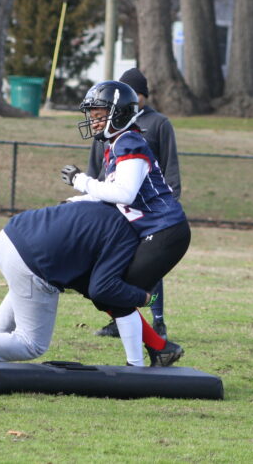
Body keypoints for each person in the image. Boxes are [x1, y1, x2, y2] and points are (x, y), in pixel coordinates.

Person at [0, 201, 178, 367]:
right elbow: (103, 288)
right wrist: (145, 298)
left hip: (9, 236)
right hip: (34, 262)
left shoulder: (105, 206)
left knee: (22, 292)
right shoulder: (126, 234)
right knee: (32, 344)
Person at [62, 80, 190, 364]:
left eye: (99, 115)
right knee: (102, 292)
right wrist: (72, 204)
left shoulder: (129, 142)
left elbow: (124, 194)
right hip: (151, 231)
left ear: (118, 114)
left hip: (165, 231)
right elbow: (110, 195)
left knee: (105, 290)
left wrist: (81, 181)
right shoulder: (117, 144)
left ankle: (148, 310)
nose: (93, 122)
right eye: (92, 116)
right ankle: (158, 350)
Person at [85, 68, 181, 340]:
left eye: (136, 93)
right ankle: (121, 320)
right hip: (115, 206)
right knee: (118, 269)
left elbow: (169, 166)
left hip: (147, 211)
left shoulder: (159, 123)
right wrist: (89, 189)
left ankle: (158, 320)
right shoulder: (106, 123)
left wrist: (171, 199)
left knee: (149, 268)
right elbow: (97, 167)